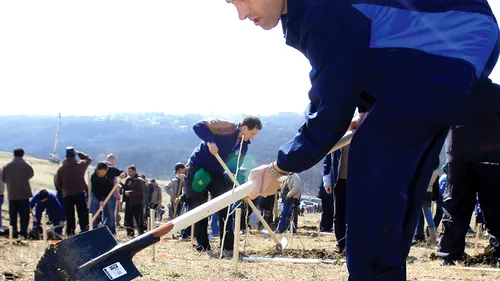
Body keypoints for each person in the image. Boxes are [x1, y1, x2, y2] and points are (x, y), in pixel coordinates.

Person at [232, 0, 500, 279]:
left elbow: (331, 105)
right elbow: (360, 62)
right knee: (390, 210)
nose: (241, 13)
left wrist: (281, 167)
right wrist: (369, 107)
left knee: (372, 169)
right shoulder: (314, 12)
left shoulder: (323, 7)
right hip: (458, 59)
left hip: (447, 49)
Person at [437, 78, 500, 265]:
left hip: (460, 156)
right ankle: (498, 252)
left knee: (455, 206)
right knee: (495, 206)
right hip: (490, 156)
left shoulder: (456, 91)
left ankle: (449, 254)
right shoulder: (495, 92)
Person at [186, 116, 262, 253]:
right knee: (200, 207)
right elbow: (198, 126)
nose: (253, 137)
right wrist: (211, 141)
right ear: (244, 128)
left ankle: (227, 245)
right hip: (199, 168)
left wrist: (240, 187)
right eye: (253, 133)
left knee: (225, 205)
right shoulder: (227, 127)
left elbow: (235, 167)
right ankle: (202, 245)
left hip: (218, 173)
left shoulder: (243, 146)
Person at [56, 147, 92, 236]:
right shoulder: (80, 165)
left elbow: (58, 183)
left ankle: (70, 232)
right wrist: (79, 153)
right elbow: (88, 159)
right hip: (79, 192)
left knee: (69, 215)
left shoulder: (61, 169)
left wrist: (63, 189)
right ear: (74, 155)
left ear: (66, 156)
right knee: (82, 212)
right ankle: (84, 229)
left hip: (67, 194)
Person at [2, 147, 34, 238]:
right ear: (22, 154)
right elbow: (31, 174)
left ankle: (14, 232)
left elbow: (3, 179)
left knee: (13, 215)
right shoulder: (26, 165)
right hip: (24, 194)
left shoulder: (7, 166)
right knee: (24, 215)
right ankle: (23, 232)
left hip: (12, 194)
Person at [90, 162, 126, 234]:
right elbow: (94, 190)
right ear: (97, 170)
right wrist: (100, 200)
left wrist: (124, 174)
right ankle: (93, 229)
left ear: (107, 170)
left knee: (110, 213)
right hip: (97, 195)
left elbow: (122, 172)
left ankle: (111, 231)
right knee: (94, 210)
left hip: (109, 194)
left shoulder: (111, 171)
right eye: (100, 172)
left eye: (104, 172)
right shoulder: (94, 177)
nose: (102, 174)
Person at [122, 165, 145, 237]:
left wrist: (130, 193)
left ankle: (140, 233)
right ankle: (130, 233)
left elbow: (139, 191)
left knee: (138, 219)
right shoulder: (128, 180)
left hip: (137, 202)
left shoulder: (139, 180)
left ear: (134, 171)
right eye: (128, 171)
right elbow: (126, 187)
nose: (129, 173)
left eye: (130, 171)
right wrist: (121, 185)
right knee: (128, 218)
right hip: (129, 202)